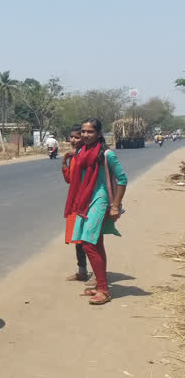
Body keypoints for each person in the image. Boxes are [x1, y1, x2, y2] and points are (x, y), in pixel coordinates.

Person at [64, 118, 127, 305]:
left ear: (99, 134)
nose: (85, 135)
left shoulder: (107, 154)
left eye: (90, 132)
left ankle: (104, 290)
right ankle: (101, 286)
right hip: (85, 200)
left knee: (88, 244)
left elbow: (122, 179)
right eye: (83, 131)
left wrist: (116, 205)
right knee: (96, 244)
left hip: (100, 201)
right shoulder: (82, 152)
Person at [61, 125, 90, 282]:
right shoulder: (74, 156)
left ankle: (98, 274)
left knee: (89, 240)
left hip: (86, 202)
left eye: (76, 137)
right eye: (71, 137)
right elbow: (70, 180)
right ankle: (82, 271)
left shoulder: (87, 156)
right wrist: (65, 162)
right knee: (78, 239)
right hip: (75, 202)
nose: (73, 140)